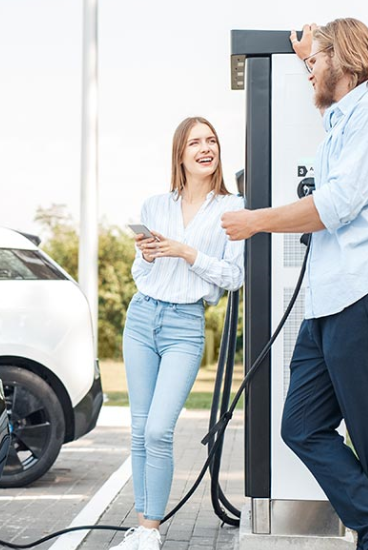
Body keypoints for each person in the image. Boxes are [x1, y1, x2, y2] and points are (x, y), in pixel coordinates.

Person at [221, 19, 368, 550]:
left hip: (366, 288)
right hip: (330, 296)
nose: (309, 71)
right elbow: (330, 82)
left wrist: (256, 220)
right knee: (302, 424)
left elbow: (335, 205)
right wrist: (311, 59)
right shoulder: (344, 118)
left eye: (316, 63)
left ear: (347, 58)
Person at [112, 116, 245, 550]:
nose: (205, 148)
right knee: (138, 428)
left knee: (158, 430)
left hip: (185, 325)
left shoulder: (233, 208)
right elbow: (139, 272)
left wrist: (187, 252)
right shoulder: (156, 205)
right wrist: (149, 255)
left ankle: (150, 531)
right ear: (180, 154)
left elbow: (233, 276)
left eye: (211, 141)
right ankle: (142, 528)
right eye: (195, 143)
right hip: (142, 316)